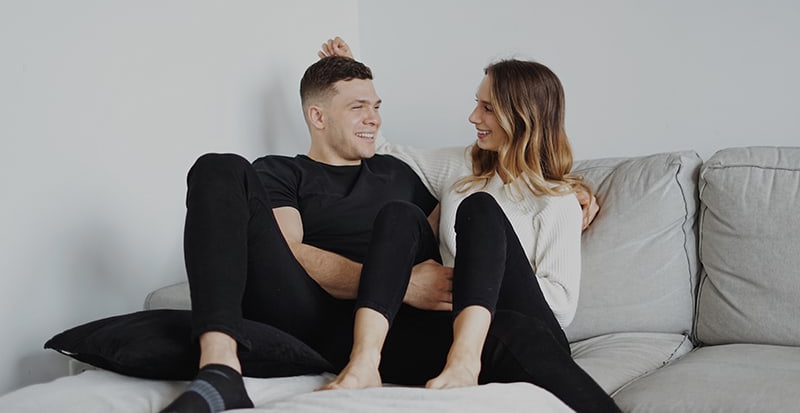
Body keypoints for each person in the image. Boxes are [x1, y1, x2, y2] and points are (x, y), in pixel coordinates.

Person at [161, 47, 614, 413]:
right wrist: (401, 285)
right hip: (310, 307)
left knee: (426, 215)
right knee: (217, 166)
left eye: (377, 107)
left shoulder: (403, 176)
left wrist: (571, 190)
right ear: (318, 117)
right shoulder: (281, 172)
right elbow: (287, 252)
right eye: (359, 107)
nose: (373, 117)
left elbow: (487, 225)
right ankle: (219, 368)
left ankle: (427, 362)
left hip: (411, 328)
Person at [317, 38, 618, 412]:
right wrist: (350, 78)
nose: (473, 117)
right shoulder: (462, 167)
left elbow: (561, 307)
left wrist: (475, 279)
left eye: (487, 107)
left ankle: (465, 363)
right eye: (476, 103)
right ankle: (364, 362)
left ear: (521, 117)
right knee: (399, 214)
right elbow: (386, 149)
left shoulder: (557, 201)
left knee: (479, 208)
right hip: (452, 329)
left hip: (523, 327)